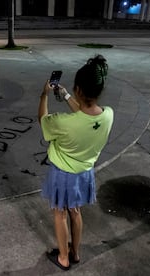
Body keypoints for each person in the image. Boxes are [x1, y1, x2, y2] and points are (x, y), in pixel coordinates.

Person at [38, 55, 114, 271]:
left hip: (63, 173)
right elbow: (85, 114)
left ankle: (63, 258)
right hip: (85, 172)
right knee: (75, 211)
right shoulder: (108, 115)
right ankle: (75, 252)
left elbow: (43, 120)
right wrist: (66, 95)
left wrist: (44, 94)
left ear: (79, 89)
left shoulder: (64, 123)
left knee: (60, 213)